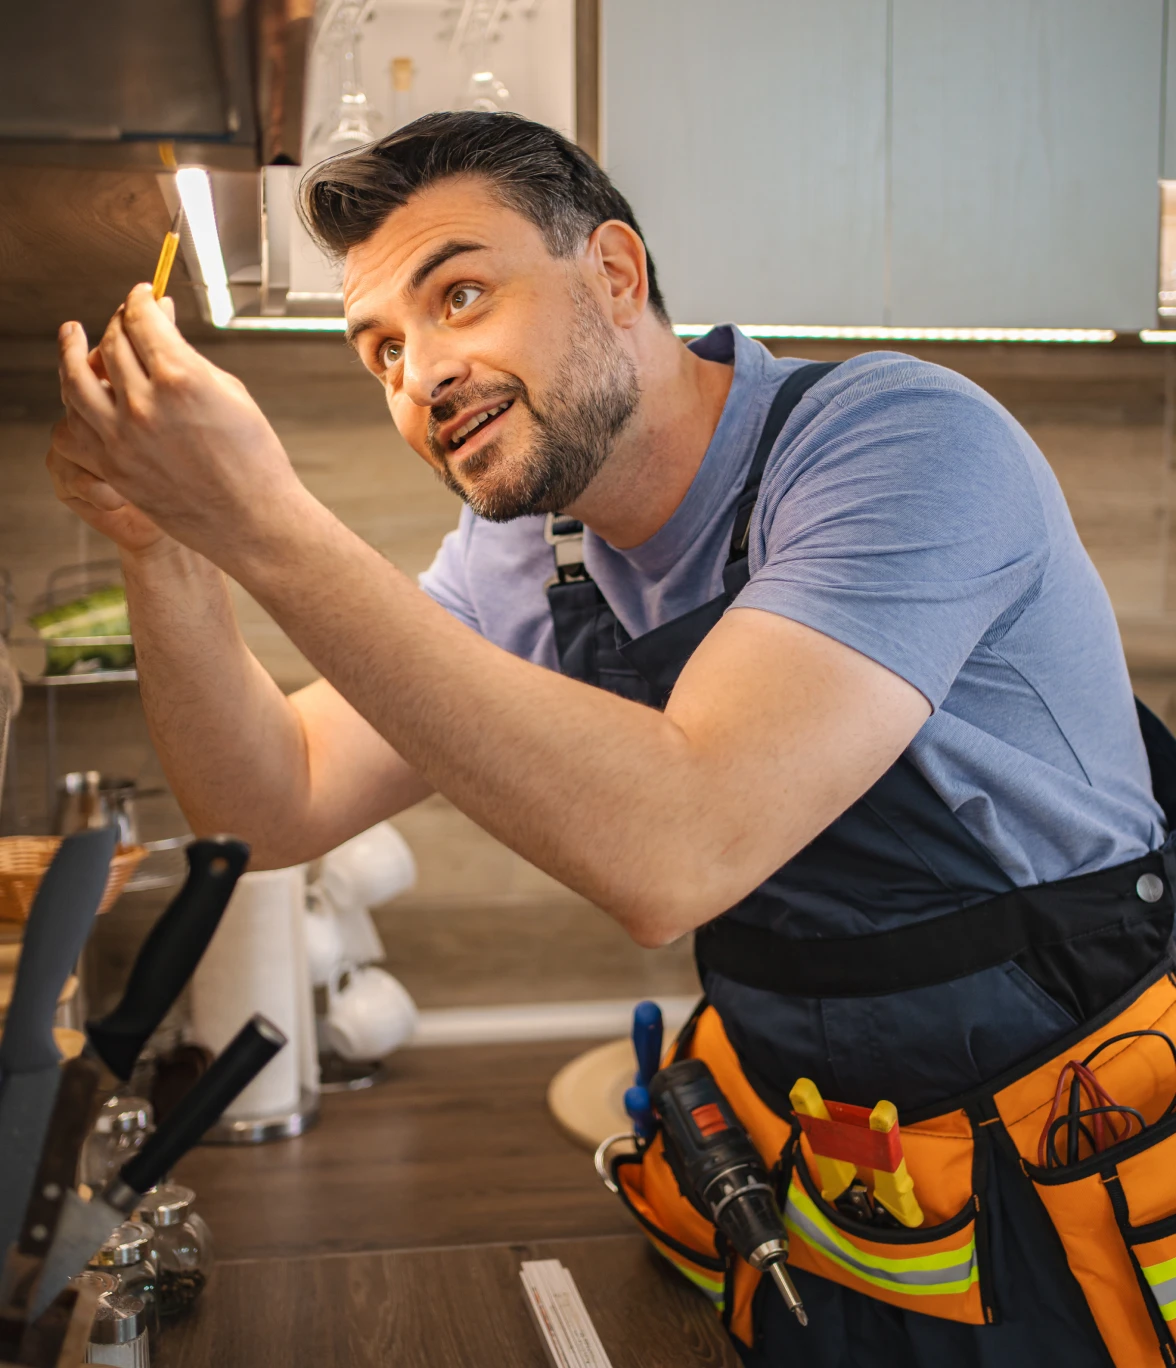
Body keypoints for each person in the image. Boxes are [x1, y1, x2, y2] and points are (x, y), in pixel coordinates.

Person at [47, 112, 1176, 1366]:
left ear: (617, 273)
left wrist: (266, 521)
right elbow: (269, 806)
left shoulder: (896, 443)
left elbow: (681, 845)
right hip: (837, 1176)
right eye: (380, 352)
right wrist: (167, 544)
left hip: (1078, 1149)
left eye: (460, 295)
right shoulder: (521, 555)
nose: (419, 376)